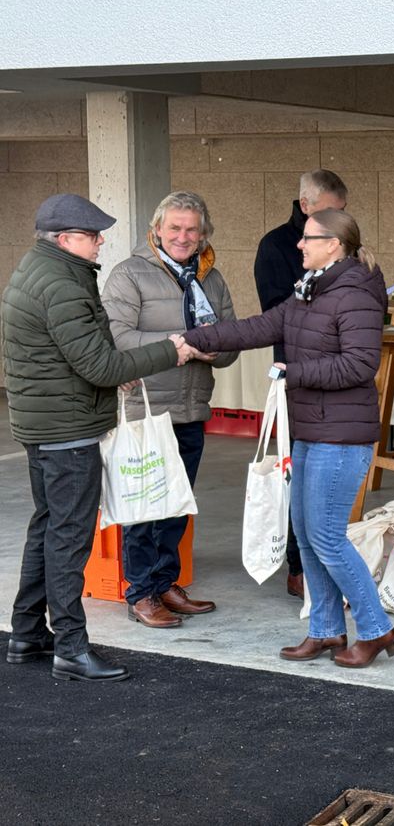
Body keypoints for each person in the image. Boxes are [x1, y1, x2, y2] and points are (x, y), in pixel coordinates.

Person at [182, 209, 394, 668]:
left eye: (308, 238)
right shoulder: (310, 290)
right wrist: (194, 338)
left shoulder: (355, 294)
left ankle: (377, 629)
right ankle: (325, 630)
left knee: (326, 537)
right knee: (306, 533)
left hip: (341, 436)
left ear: (334, 244)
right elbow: (258, 327)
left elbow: (360, 364)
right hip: (310, 428)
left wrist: (292, 372)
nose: (299, 244)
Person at [1, 193, 194, 682]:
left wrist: (115, 370)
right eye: (92, 235)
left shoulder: (40, 269)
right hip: (66, 430)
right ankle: (70, 647)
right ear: (65, 239)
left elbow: (77, 354)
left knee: (48, 528)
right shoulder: (61, 283)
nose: (100, 241)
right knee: (69, 538)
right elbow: (100, 366)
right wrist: (170, 350)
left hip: (46, 423)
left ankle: (27, 633)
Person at [102, 191, 238, 629]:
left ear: (203, 234)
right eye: (174, 228)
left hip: (191, 407)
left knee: (176, 506)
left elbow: (231, 344)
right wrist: (186, 343)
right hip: (147, 409)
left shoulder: (211, 278)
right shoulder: (130, 274)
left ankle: (164, 584)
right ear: (157, 230)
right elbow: (118, 337)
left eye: (191, 229)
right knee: (144, 509)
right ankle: (140, 592)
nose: (183, 236)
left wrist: (214, 348)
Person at [253, 169, 348, 599]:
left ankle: (328, 561)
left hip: (336, 377)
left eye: (342, 213)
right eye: (329, 211)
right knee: (298, 473)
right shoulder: (276, 246)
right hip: (296, 375)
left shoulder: (340, 243)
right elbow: (276, 315)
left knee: (328, 479)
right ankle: (298, 567)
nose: (336, 221)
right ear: (306, 205)